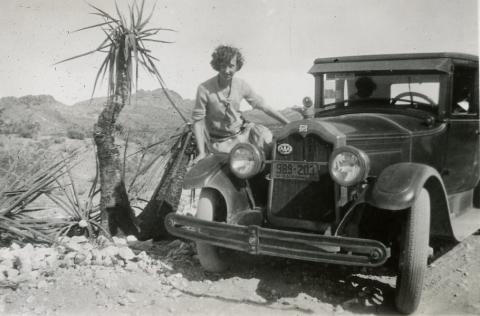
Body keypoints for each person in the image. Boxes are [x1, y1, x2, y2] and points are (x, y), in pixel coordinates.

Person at [191, 45, 290, 163]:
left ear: (237, 66)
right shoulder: (204, 89)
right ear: (217, 66)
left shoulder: (241, 85)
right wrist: (202, 152)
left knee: (269, 143)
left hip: (244, 133)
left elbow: (264, 106)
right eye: (223, 66)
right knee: (237, 165)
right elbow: (198, 121)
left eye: (231, 66)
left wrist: (288, 123)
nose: (227, 71)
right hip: (222, 142)